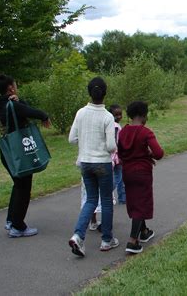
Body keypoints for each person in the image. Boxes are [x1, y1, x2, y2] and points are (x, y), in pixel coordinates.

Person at [0, 74, 51, 238]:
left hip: (8, 152)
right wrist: (45, 116)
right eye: (15, 85)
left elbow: (21, 110)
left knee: (18, 185)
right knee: (24, 187)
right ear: (11, 88)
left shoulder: (0, 104)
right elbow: (33, 112)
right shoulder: (13, 104)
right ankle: (18, 226)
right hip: (19, 152)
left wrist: (19, 101)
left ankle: (11, 221)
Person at [68, 77, 118, 257]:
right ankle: (107, 239)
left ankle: (78, 236)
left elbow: (72, 139)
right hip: (102, 163)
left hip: (85, 162)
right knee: (105, 200)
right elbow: (111, 146)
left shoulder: (81, 113)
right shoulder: (107, 116)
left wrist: (87, 141)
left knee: (90, 200)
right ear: (105, 93)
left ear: (89, 92)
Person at [118, 101, 164, 254]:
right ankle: (132, 241)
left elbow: (120, 153)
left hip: (127, 171)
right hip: (142, 172)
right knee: (141, 202)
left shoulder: (123, 132)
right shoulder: (146, 132)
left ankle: (144, 232)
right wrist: (147, 155)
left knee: (135, 201)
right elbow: (158, 153)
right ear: (144, 115)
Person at [109, 104, 126, 204]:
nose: (119, 116)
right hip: (116, 156)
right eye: (116, 115)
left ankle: (122, 197)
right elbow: (115, 141)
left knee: (120, 176)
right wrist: (119, 156)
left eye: (120, 114)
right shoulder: (115, 126)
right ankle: (107, 193)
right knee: (118, 177)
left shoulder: (113, 125)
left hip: (115, 155)